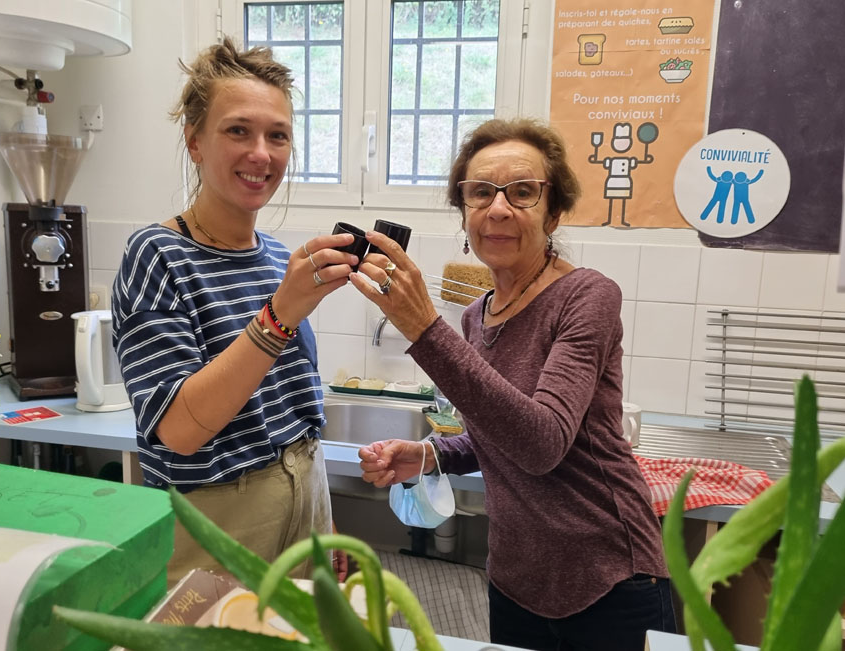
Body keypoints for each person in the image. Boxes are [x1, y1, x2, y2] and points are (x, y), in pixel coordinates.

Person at [352, 118, 675, 650]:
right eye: (480, 192)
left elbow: (541, 442)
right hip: (514, 579)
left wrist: (424, 328)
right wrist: (432, 455)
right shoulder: (478, 316)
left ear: (555, 211)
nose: (497, 208)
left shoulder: (588, 297)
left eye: (522, 192)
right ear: (465, 211)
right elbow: (497, 430)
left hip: (608, 575)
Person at [111, 38, 355, 582]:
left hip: (304, 495)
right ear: (194, 142)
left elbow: (291, 405)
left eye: (278, 136)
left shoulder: (274, 257)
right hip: (218, 516)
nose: (261, 154)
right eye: (238, 130)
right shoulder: (157, 255)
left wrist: (321, 516)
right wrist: (279, 315)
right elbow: (178, 431)